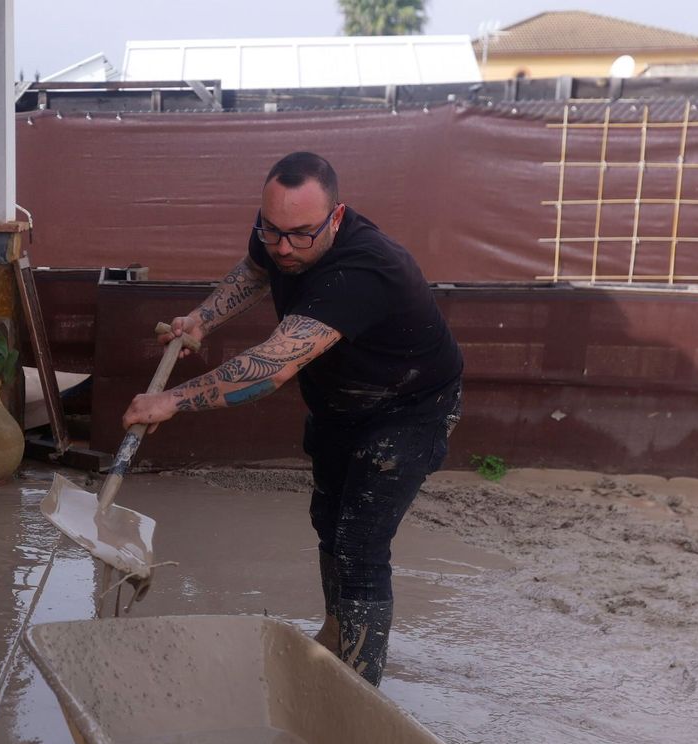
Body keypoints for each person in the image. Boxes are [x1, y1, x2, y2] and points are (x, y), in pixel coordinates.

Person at [122, 152, 462, 686]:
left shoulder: (366, 269)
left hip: (409, 408)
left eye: (301, 235)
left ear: (337, 215)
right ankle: (336, 632)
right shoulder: (278, 231)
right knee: (328, 522)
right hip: (338, 402)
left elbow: (272, 366)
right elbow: (254, 270)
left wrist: (172, 401)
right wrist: (202, 320)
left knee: (360, 544)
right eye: (273, 230)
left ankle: (361, 685)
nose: (283, 246)